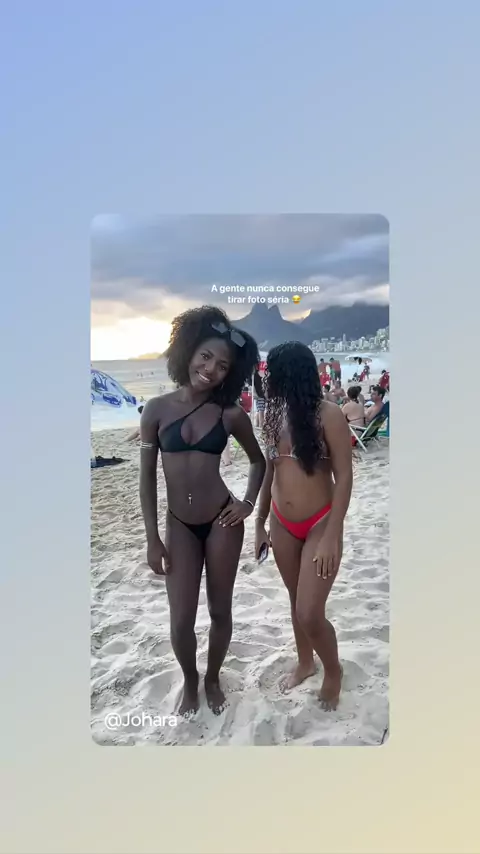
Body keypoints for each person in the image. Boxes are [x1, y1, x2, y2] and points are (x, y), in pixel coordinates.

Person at [139, 306, 266, 716]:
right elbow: (146, 479)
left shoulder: (231, 415)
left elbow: (258, 461)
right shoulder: (156, 409)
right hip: (178, 525)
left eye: (223, 365)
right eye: (206, 356)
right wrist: (152, 538)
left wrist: (247, 504)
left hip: (222, 521)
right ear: (188, 352)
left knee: (219, 610)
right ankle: (190, 681)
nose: (210, 369)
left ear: (232, 373)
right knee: (180, 620)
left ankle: (212, 678)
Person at [255, 342, 353, 710]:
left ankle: (333, 670)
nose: (267, 378)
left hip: (320, 523)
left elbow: (344, 477)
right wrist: (260, 523)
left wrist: (331, 535)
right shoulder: (272, 416)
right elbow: (270, 471)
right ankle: (305, 662)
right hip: (281, 523)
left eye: (272, 372)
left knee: (309, 611)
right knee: (295, 600)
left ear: (288, 375)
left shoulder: (328, 414)